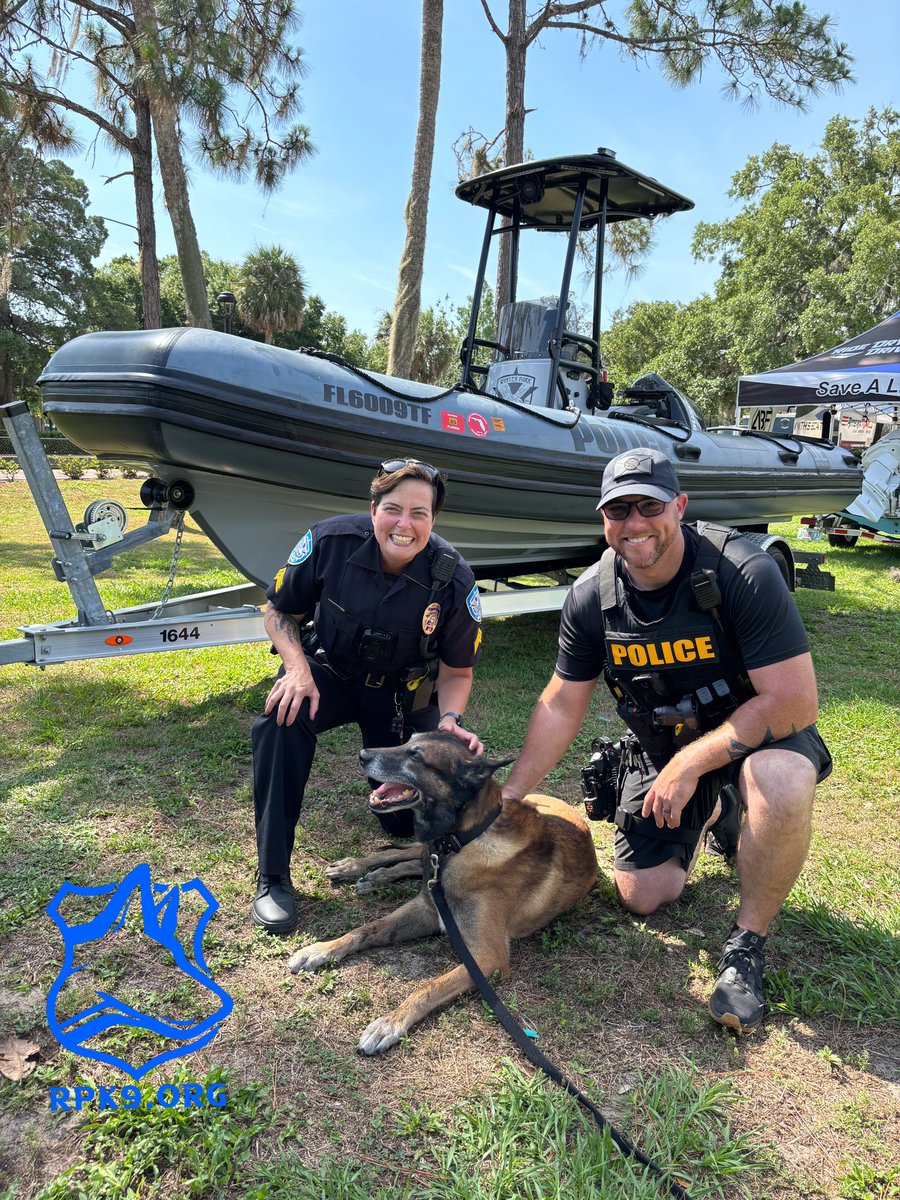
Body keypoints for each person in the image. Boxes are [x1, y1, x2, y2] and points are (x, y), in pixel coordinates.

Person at [501, 447, 831, 1033]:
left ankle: (747, 944)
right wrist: (511, 795)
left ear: (678, 506)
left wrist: (692, 764)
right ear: (603, 519)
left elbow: (795, 701)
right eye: (618, 509)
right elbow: (559, 703)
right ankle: (712, 809)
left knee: (776, 780)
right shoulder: (591, 597)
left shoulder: (741, 572)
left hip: (757, 739)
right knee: (641, 895)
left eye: (648, 505)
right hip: (668, 744)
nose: (633, 524)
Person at [252, 458, 484, 935]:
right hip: (327, 678)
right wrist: (297, 669)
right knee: (281, 718)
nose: (405, 524)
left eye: (419, 514)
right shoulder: (330, 542)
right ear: (373, 508)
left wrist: (451, 718)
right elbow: (279, 611)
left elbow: (458, 670)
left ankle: (399, 821)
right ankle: (273, 876)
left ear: (433, 521)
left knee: (404, 828)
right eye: (394, 509)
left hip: (401, 698)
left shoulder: (453, 578)